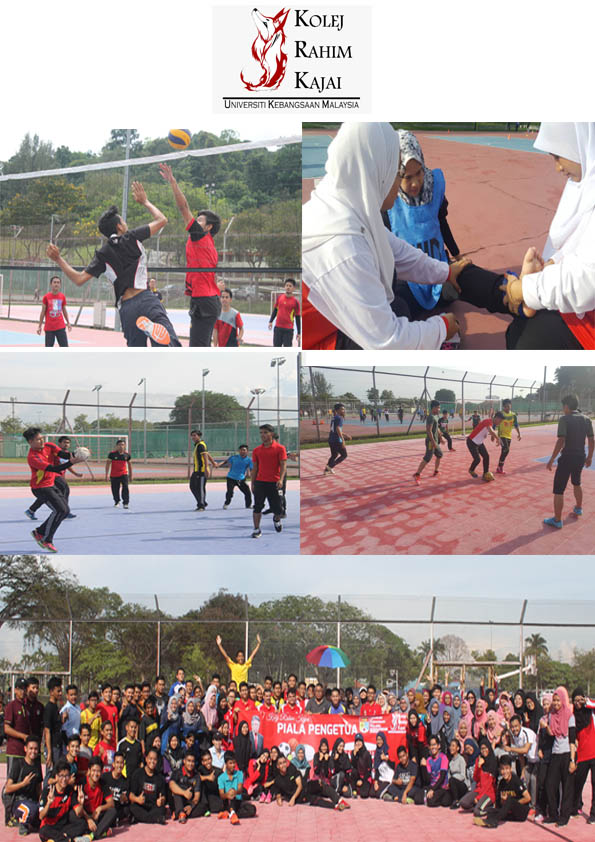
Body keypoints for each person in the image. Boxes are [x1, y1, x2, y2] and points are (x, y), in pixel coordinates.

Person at [302, 122, 466, 350]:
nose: (399, 182)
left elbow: (401, 253)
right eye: (397, 171)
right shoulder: (343, 246)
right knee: (393, 317)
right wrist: (442, 328)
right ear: (376, 170)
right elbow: (388, 342)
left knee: (397, 306)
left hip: (328, 318)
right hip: (316, 342)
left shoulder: (346, 205)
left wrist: (446, 271)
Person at [47, 181, 181, 347]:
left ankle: (146, 343)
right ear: (119, 226)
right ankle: (160, 339)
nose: (125, 224)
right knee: (169, 344)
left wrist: (58, 259)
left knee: (136, 352)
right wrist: (145, 201)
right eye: (123, 221)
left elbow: (79, 279)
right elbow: (162, 220)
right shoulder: (132, 237)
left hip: (127, 307)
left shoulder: (102, 254)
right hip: (146, 299)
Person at [498, 123, 595, 350]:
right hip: (580, 307)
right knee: (518, 330)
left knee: (525, 341)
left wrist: (523, 289)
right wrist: (550, 265)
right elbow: (580, 242)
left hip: (587, 320)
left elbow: (586, 279)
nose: (558, 167)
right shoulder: (584, 183)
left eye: (558, 156)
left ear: (581, 142)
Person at [159, 163, 222, 347]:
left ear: (208, 227)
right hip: (207, 300)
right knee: (200, 347)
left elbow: (183, 207)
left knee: (197, 348)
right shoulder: (208, 243)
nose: (195, 221)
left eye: (200, 220)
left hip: (204, 300)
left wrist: (173, 182)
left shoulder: (200, 236)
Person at [23, 427, 85, 552]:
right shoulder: (33, 457)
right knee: (60, 510)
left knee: (65, 510)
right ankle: (46, 540)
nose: (42, 441)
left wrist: (78, 453)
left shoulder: (49, 446)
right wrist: (72, 462)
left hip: (50, 485)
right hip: (40, 488)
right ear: (30, 442)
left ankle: (39, 532)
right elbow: (54, 469)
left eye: (42, 438)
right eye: (38, 439)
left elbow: (64, 454)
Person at [545, 394, 594, 527]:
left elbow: (561, 440)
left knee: (559, 489)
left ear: (566, 406)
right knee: (577, 482)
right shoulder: (587, 419)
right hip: (580, 457)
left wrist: (552, 459)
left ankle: (557, 520)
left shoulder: (564, 419)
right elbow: (591, 440)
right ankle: (578, 508)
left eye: (563, 407)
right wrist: (589, 457)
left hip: (567, 458)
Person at [25, 435, 81, 521]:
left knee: (47, 496)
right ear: (59, 443)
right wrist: (71, 463)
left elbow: (67, 461)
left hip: (54, 475)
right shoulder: (50, 453)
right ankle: (64, 510)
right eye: (64, 442)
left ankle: (31, 510)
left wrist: (79, 454)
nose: (66, 444)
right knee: (64, 489)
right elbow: (56, 467)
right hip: (53, 474)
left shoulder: (63, 452)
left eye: (68, 443)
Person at [474, 754, 531, 828]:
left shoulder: (516, 781)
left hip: (520, 813)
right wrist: (503, 802)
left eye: (507, 768)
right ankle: (488, 820)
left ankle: (493, 821)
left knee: (510, 800)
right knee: (491, 811)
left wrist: (512, 803)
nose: (504, 771)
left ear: (510, 769)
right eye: (502, 769)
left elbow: (528, 798)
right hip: (510, 813)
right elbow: (499, 804)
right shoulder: (501, 783)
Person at [250, 423, 287, 538]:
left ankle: (276, 519)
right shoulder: (256, 450)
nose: (263, 435)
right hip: (260, 482)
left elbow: (283, 465)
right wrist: (252, 483)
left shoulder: (280, 448)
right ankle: (256, 529)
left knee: (278, 510)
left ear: (272, 434)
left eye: (265, 432)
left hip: (274, 483)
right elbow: (255, 468)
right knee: (257, 507)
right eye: (261, 433)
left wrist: (281, 479)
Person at [38, 759, 87, 842]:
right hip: (49, 827)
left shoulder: (70, 790)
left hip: (63, 827)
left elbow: (78, 813)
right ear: (56, 776)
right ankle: (68, 839)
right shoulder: (48, 790)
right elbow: (41, 816)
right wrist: (49, 803)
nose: (64, 779)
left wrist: (81, 803)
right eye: (61, 776)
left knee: (82, 824)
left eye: (67, 776)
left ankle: (60, 839)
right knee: (43, 831)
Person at [3, 735, 42, 834]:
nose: (33, 751)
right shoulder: (18, 764)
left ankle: (31, 820)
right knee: (31, 810)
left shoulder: (37, 766)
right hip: (18, 802)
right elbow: (7, 789)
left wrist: (42, 803)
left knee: (43, 810)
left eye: (36, 749)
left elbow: (39, 788)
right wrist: (23, 784)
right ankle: (22, 823)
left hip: (32, 801)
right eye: (31, 748)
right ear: (25, 749)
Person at [81, 757, 117, 839]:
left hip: (97, 815)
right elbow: (77, 807)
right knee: (73, 816)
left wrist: (100, 808)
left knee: (112, 811)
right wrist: (88, 819)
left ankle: (93, 835)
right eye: (93, 770)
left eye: (98, 771)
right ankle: (101, 832)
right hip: (85, 816)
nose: (96, 774)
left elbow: (111, 803)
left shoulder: (103, 783)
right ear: (89, 771)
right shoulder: (82, 784)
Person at [129, 747, 167, 824]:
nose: (152, 761)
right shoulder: (137, 774)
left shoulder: (160, 777)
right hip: (140, 806)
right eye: (150, 758)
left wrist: (161, 801)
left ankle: (140, 818)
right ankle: (155, 819)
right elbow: (130, 795)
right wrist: (137, 799)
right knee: (131, 807)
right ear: (146, 759)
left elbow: (163, 797)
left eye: (155, 759)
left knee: (162, 809)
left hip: (153, 807)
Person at [218, 751, 257, 823]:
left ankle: (230, 814)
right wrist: (227, 795)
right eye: (230, 763)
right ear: (226, 764)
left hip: (237, 801)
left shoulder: (239, 774)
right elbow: (221, 794)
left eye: (234, 763)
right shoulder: (221, 777)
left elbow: (240, 789)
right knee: (230, 798)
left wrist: (234, 792)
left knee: (252, 810)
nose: (233, 765)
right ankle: (232, 814)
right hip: (227, 802)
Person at [169, 751, 207, 822]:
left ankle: (180, 813)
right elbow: (171, 784)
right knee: (176, 793)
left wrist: (191, 806)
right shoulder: (177, 772)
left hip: (189, 802)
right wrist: (184, 793)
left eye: (192, 761)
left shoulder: (197, 776)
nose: (191, 764)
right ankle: (180, 812)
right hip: (178, 801)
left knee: (203, 806)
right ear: (184, 761)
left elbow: (197, 796)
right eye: (188, 761)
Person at [466, 411, 503, 481]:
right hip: (471, 441)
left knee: (486, 456)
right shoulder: (488, 421)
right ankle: (471, 470)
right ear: (497, 418)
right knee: (477, 459)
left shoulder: (492, 424)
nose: (500, 423)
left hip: (479, 443)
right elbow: (491, 431)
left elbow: (491, 433)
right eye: (500, 421)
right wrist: (498, 439)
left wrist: (493, 437)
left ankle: (485, 474)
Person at [37, 276, 72, 347]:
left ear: (60, 285)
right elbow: (42, 312)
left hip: (60, 327)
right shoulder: (46, 297)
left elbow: (64, 310)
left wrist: (68, 322)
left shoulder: (62, 296)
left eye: (58, 283)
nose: (56, 284)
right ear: (51, 284)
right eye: (54, 282)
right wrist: (39, 326)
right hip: (49, 328)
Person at [413, 400, 443, 483]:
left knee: (439, 455)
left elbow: (437, 428)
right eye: (438, 408)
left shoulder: (436, 416)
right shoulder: (431, 417)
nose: (439, 409)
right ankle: (417, 474)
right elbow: (429, 430)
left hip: (435, 441)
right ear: (434, 408)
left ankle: (436, 471)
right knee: (427, 458)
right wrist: (433, 442)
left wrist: (440, 437)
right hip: (431, 442)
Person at [216, 445, 253, 509]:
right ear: (239, 451)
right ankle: (226, 503)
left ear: (247, 451)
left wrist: (253, 476)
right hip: (231, 478)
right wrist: (218, 465)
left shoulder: (249, 460)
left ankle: (248, 505)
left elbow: (251, 469)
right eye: (241, 450)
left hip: (241, 479)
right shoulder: (234, 457)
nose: (242, 451)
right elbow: (225, 462)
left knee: (247, 492)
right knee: (230, 492)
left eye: (244, 450)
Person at [269, 278, 301, 347]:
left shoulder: (296, 302)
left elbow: (297, 317)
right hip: (278, 328)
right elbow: (275, 310)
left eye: (290, 286)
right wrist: (271, 321)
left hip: (288, 330)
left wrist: (299, 332)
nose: (288, 287)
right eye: (287, 285)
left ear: (294, 288)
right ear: (284, 287)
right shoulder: (280, 297)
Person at [324, 402, 352, 476]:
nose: (344, 411)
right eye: (342, 409)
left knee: (334, 455)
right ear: (337, 410)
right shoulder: (339, 418)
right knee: (344, 455)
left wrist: (345, 434)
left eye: (344, 409)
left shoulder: (334, 418)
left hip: (331, 440)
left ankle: (326, 470)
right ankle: (330, 466)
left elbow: (335, 429)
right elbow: (337, 429)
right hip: (336, 440)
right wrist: (343, 440)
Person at [494, 399, 521, 474]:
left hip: (509, 436)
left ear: (510, 406)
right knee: (506, 449)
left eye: (508, 406)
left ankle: (499, 467)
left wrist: (519, 434)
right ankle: (500, 467)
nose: (507, 408)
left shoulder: (513, 415)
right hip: (502, 435)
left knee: (505, 451)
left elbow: (516, 425)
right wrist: (494, 435)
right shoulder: (501, 414)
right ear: (503, 407)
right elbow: (494, 423)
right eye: (505, 407)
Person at [189, 430, 213, 512]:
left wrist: (206, 467)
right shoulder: (197, 445)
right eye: (192, 435)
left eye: (194, 435)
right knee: (192, 486)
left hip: (201, 470)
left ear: (199, 436)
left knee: (200, 488)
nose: (193, 437)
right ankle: (202, 501)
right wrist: (214, 463)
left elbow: (205, 456)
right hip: (196, 470)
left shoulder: (201, 445)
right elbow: (207, 454)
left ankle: (201, 505)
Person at [105, 439, 133, 509]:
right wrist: (106, 475)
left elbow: (130, 465)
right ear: (116, 446)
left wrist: (131, 475)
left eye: (122, 445)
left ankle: (125, 503)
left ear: (125, 446)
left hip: (124, 474)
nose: (121, 446)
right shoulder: (112, 454)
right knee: (115, 489)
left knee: (125, 488)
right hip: (114, 475)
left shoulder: (127, 455)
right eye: (119, 445)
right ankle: (117, 501)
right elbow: (107, 465)